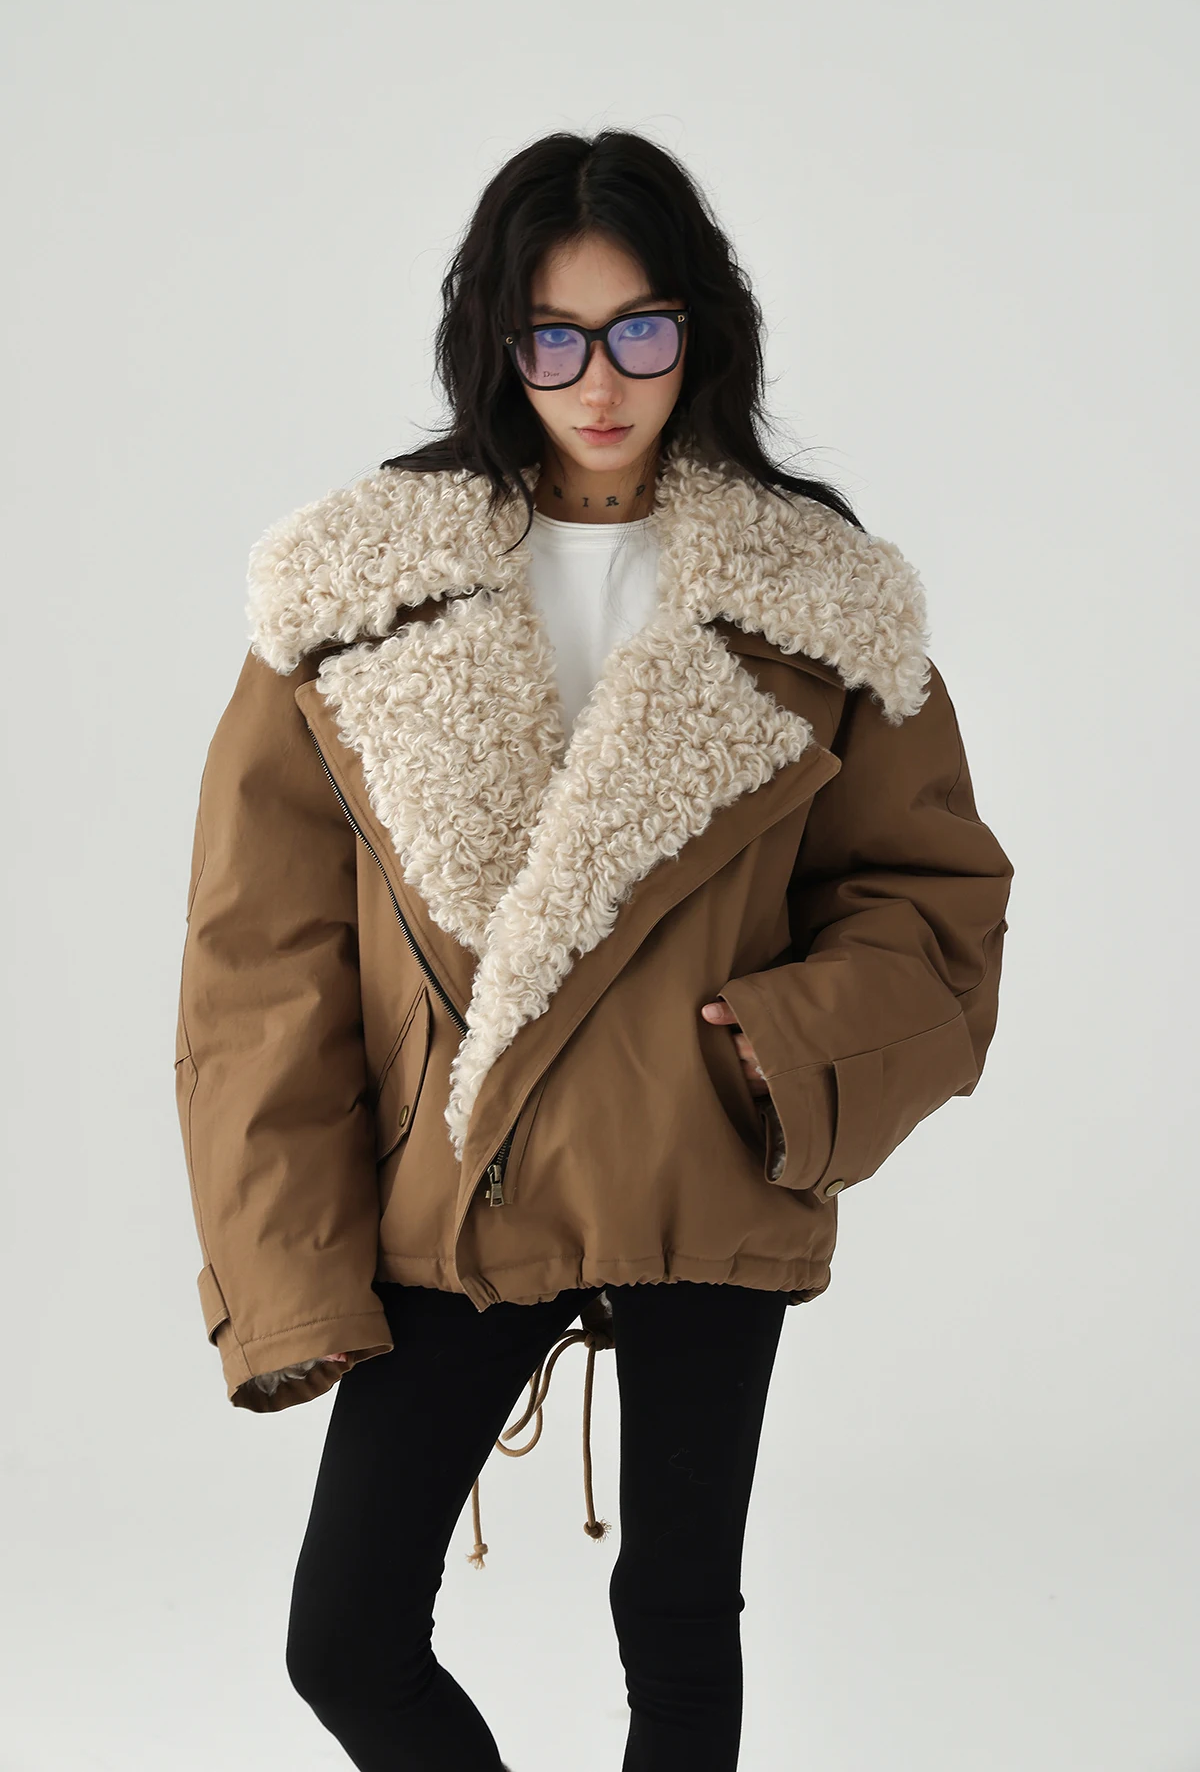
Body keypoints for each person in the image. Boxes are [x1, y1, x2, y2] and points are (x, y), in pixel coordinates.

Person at [173, 127, 1014, 1772]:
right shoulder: (357, 591)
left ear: (699, 325)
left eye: (639, 329)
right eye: (552, 338)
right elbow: (260, 965)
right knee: (345, 1638)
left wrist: (771, 1052)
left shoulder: (815, 593)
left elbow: (934, 903)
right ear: (496, 342)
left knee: (680, 1628)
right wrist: (290, 1270)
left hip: (704, 1162)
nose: (601, 381)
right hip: (458, 1179)